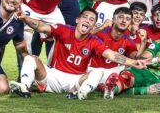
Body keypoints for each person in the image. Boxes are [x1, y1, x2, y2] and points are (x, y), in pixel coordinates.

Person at [10, 8, 145, 99]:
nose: (87, 20)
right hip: (52, 76)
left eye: (92, 20)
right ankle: (24, 87)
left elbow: (111, 55)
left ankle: (81, 94)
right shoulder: (63, 30)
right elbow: (41, 26)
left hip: (76, 81)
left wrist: (133, 62)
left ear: (93, 26)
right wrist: (25, 18)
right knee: (30, 59)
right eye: (85, 17)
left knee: (98, 72)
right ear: (77, 20)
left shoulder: (94, 40)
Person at [103, 24, 160, 97]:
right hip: (144, 73)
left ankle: (130, 91)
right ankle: (112, 90)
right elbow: (141, 61)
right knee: (128, 77)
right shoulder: (159, 44)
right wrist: (158, 59)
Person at [88, 7, 142, 99]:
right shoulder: (101, 33)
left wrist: (143, 41)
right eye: (121, 17)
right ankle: (104, 86)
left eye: (128, 19)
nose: (124, 21)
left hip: (113, 73)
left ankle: (108, 87)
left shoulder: (128, 41)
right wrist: (102, 27)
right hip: (93, 70)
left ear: (130, 23)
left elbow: (136, 58)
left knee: (134, 70)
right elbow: (84, 36)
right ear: (113, 19)